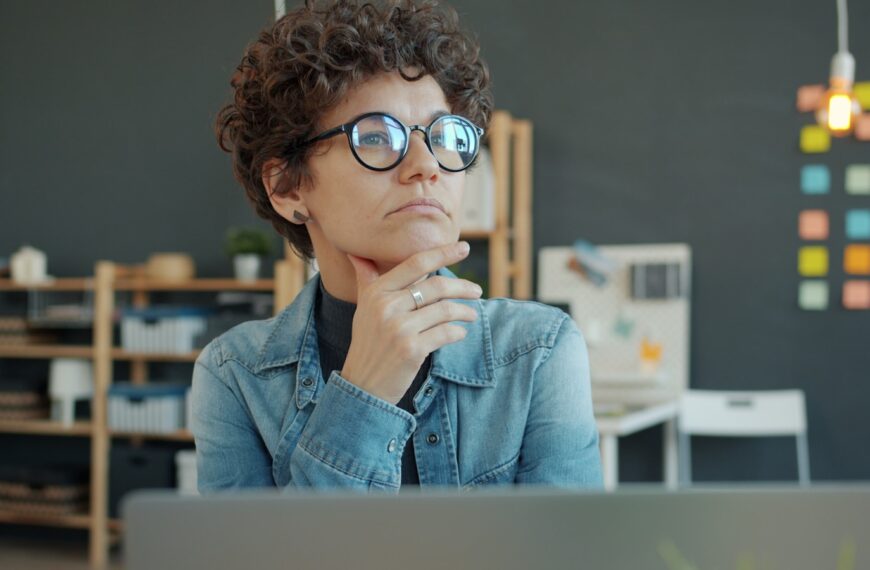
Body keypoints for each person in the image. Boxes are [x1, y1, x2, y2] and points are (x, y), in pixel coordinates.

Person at [192, 0, 602, 492]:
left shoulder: (537, 352)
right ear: (288, 188)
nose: (427, 163)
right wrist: (364, 394)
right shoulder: (234, 376)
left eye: (445, 134)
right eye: (377, 136)